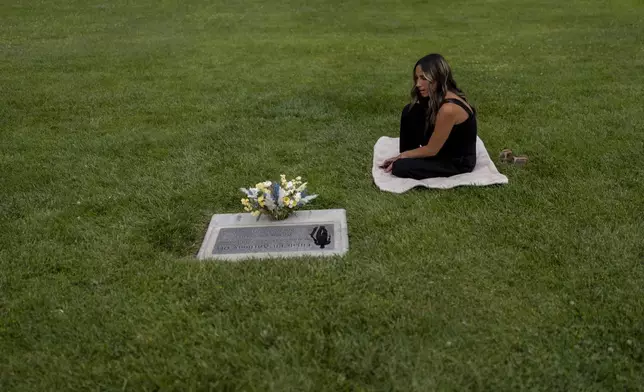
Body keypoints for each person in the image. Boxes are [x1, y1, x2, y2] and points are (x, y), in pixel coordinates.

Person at [381, 54, 477, 179]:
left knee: (400, 167)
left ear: (438, 77)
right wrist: (407, 153)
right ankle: (411, 156)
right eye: (416, 78)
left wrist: (404, 156)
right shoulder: (441, 96)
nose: (418, 84)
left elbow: (432, 150)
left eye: (423, 78)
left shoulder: (448, 109)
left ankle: (408, 159)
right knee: (410, 111)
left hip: (456, 162)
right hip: (445, 146)